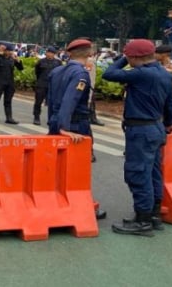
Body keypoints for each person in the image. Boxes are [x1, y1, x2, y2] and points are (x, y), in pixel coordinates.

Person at [102, 39, 172, 237]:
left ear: (135, 57)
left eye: (130, 56)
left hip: (141, 130)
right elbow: (171, 103)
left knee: (138, 173)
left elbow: (108, 74)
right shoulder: (164, 73)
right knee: (153, 173)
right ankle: (153, 216)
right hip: (157, 127)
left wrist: (122, 59)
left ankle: (143, 221)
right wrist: (169, 123)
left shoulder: (141, 73)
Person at [47, 38, 106, 220]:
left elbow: (50, 101)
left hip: (56, 120)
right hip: (75, 123)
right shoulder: (81, 74)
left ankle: (56, 202)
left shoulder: (57, 70)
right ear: (89, 54)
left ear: (69, 53)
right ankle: (77, 205)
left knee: (57, 165)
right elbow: (70, 100)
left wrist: (55, 124)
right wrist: (65, 127)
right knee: (76, 166)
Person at [0, 43, 23, 124]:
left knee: (8, 101)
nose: (10, 52)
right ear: (4, 51)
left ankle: (9, 118)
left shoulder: (12, 59)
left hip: (9, 83)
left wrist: (18, 61)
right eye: (8, 51)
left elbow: (20, 68)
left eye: (11, 51)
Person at [33, 46, 61, 125]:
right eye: (48, 52)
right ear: (46, 53)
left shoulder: (58, 63)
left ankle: (51, 119)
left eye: (52, 53)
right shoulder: (40, 62)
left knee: (52, 103)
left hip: (52, 85)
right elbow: (37, 72)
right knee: (38, 101)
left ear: (54, 54)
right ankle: (36, 117)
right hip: (41, 84)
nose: (49, 54)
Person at [86, 52, 105, 126]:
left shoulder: (90, 60)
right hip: (87, 85)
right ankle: (91, 118)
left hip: (90, 85)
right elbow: (90, 74)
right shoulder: (89, 61)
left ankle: (92, 117)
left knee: (92, 102)